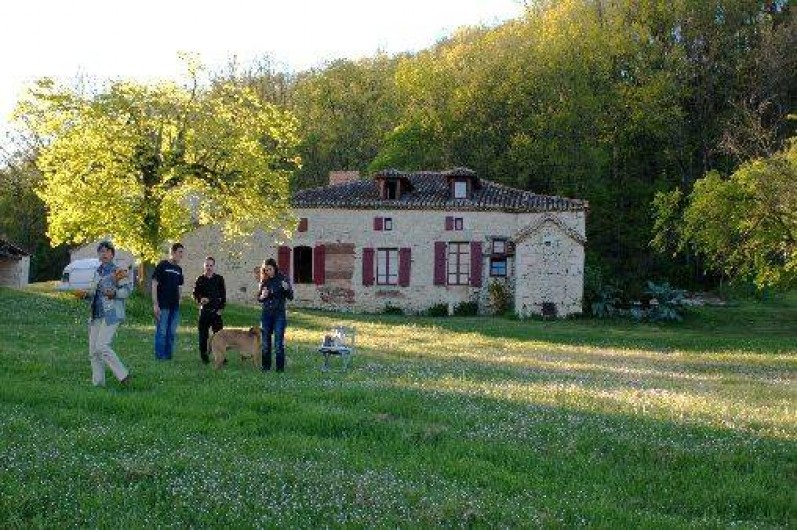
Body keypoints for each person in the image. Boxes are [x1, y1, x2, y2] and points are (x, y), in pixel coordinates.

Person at [86, 240, 132, 387]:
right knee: (93, 351)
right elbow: (93, 291)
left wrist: (115, 293)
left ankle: (124, 375)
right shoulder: (97, 272)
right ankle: (98, 384)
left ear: (112, 254)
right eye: (101, 251)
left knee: (102, 346)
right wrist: (86, 294)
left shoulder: (118, 271)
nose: (103, 254)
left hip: (111, 313)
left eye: (106, 251)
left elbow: (128, 290)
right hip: (96, 314)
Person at [257, 258, 293, 372]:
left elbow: (291, 296)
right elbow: (259, 298)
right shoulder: (264, 281)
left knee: (278, 343)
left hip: (279, 315)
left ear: (275, 268)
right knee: (265, 343)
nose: (268, 272)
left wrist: (287, 289)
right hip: (266, 314)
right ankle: (266, 367)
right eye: (266, 270)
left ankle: (279, 369)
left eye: (270, 269)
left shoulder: (283, 278)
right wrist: (263, 296)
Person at [151, 242, 184, 360]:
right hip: (163, 305)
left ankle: (168, 356)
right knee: (162, 332)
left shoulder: (179, 269)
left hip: (174, 306)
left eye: (182, 253)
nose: (181, 255)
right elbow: (154, 284)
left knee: (171, 333)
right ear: (173, 252)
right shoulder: (162, 265)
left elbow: (180, 286)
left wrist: (180, 299)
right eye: (180, 252)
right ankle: (160, 357)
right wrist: (155, 304)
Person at [192, 256, 226, 364]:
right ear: (204, 266)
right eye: (207, 265)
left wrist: (221, 308)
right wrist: (200, 299)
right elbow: (195, 294)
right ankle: (204, 357)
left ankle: (221, 357)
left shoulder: (219, 279)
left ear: (214, 266)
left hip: (216, 312)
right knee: (203, 336)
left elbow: (223, 295)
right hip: (204, 312)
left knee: (219, 337)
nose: (209, 267)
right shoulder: (200, 279)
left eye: (211, 265)